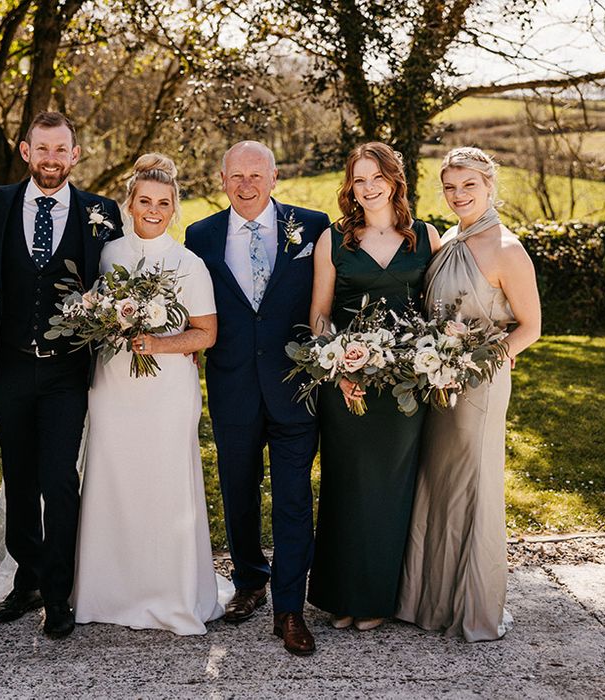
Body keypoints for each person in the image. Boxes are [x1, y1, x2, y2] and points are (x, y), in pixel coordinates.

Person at [73, 153, 232, 633]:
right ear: (130, 203)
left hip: (166, 393)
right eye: (145, 201)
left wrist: (157, 343)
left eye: (164, 202)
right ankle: (106, 594)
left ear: (174, 206)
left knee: (163, 484)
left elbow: (206, 333)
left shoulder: (189, 262)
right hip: (113, 386)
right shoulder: (108, 255)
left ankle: (170, 593)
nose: (154, 210)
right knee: (113, 480)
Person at [0, 111, 123, 638]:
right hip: (11, 365)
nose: (51, 160)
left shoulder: (101, 213)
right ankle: (28, 579)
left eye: (61, 150)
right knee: (19, 477)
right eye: (42, 149)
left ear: (75, 154)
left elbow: (121, 282)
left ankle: (59, 593)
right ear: (25, 151)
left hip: (67, 372)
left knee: (60, 479)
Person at [185, 141, 329, 655]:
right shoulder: (199, 235)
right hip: (233, 385)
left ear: (274, 178)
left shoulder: (313, 226)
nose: (246, 185)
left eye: (256, 175)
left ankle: (289, 608)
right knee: (238, 491)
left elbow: (329, 296)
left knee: (293, 499)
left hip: (296, 387)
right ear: (222, 179)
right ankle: (249, 582)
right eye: (236, 176)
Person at [396, 147, 541, 641]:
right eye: (450, 187)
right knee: (434, 483)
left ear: (490, 187)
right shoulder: (447, 239)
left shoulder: (507, 248)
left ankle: (471, 605)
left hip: (478, 386)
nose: (459, 196)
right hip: (436, 382)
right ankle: (426, 600)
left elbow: (530, 327)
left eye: (469, 186)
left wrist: (484, 361)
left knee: (472, 484)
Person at [307, 142, 440, 631]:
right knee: (346, 484)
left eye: (377, 177)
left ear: (395, 179)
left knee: (390, 487)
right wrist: (339, 367)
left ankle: (379, 598)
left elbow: (437, 310)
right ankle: (341, 597)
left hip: (405, 389)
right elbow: (319, 315)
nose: (368, 187)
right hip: (348, 385)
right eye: (359, 179)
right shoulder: (333, 240)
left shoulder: (427, 237)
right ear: (350, 186)